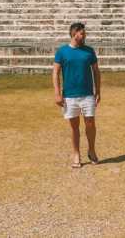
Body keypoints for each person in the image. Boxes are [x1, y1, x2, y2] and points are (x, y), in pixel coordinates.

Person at [52, 22, 101, 168]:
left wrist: (98, 90)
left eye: (84, 33)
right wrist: (57, 93)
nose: (84, 35)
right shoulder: (62, 52)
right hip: (70, 95)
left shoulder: (89, 51)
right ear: (74, 34)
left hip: (87, 94)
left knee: (90, 124)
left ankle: (91, 150)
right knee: (74, 127)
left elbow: (96, 72)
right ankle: (76, 154)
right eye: (82, 33)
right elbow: (55, 72)